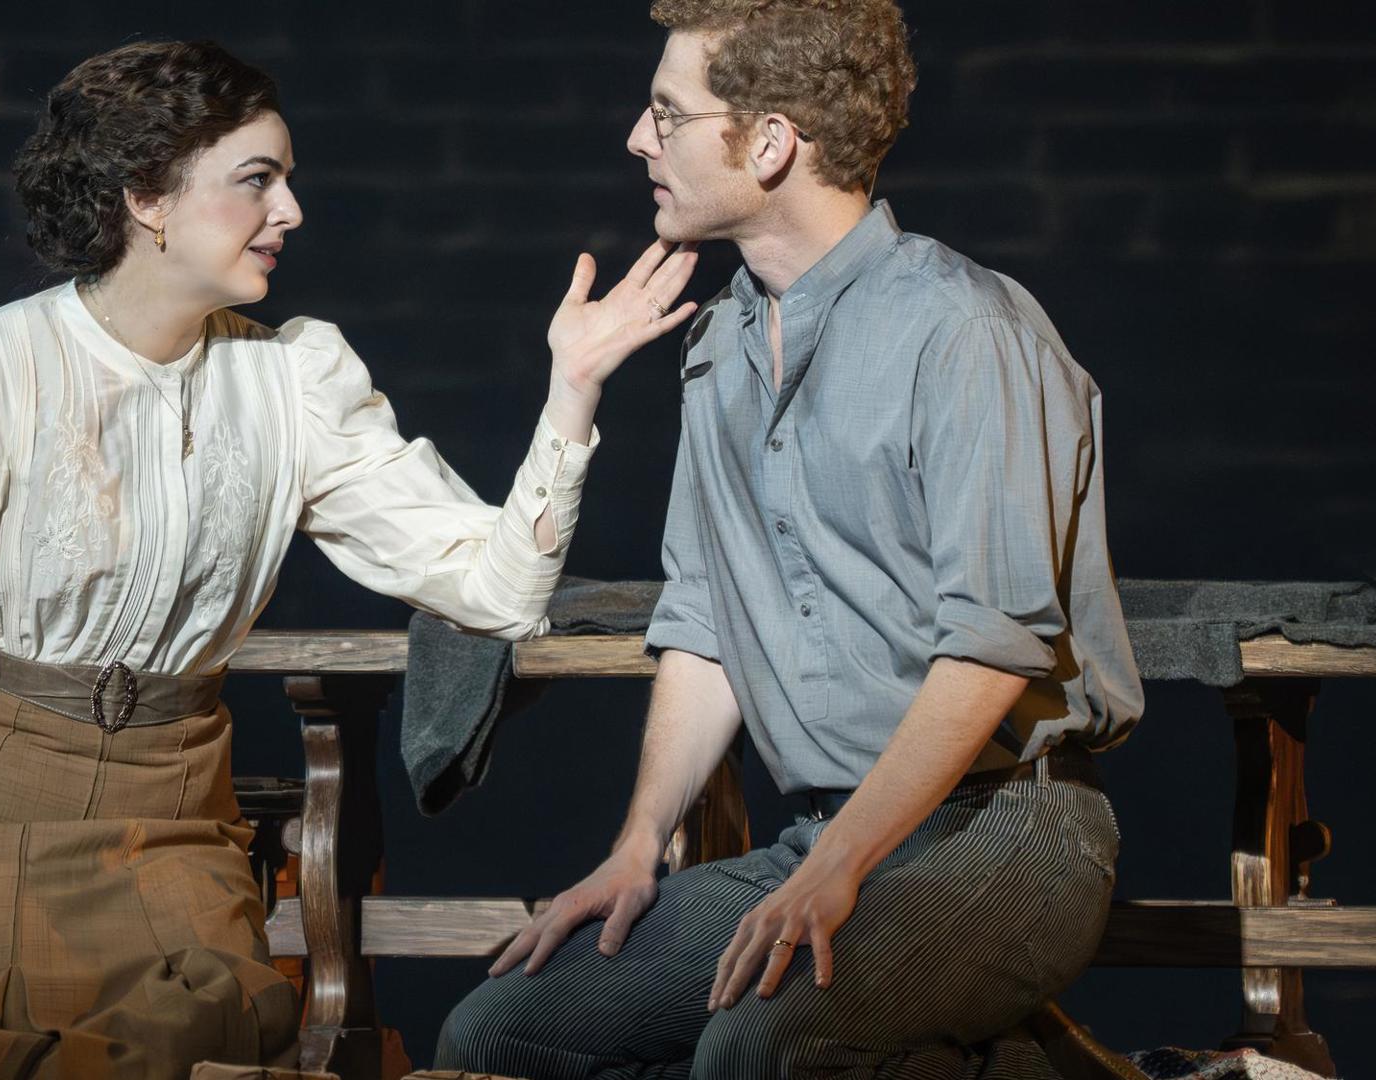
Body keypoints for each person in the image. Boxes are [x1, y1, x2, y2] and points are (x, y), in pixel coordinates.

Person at [0, 39, 701, 1080]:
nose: (290, 212)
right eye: (256, 182)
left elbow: (498, 593)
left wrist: (573, 390)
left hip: (175, 831)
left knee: (188, 1049)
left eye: (285, 180)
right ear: (146, 197)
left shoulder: (292, 381)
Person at [437, 1, 1146, 1076]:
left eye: (667, 114)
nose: (639, 139)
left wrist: (844, 864)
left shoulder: (965, 331)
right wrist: (637, 849)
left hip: (1009, 829)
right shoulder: (720, 345)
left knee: (763, 1046)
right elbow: (706, 618)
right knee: (497, 1032)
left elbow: (992, 644)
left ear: (768, 143)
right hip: (822, 831)